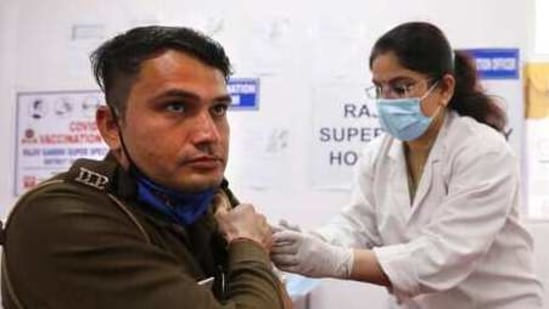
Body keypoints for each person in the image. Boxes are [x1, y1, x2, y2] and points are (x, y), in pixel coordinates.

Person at [1, 26, 289, 309]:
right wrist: (248, 245)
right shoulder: (60, 220)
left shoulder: (206, 200)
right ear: (112, 126)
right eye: (176, 106)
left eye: (218, 109)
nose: (209, 134)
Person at [271, 21, 543, 308]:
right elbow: (359, 225)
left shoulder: (483, 151)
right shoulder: (379, 153)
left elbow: (442, 255)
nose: (387, 101)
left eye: (401, 88)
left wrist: (337, 261)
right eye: (379, 88)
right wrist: (315, 241)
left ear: (445, 89)